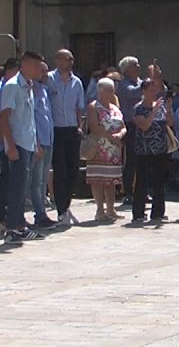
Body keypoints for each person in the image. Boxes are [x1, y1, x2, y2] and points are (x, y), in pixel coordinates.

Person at [0, 51, 50, 245]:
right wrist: (9, 145)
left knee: (23, 185)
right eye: (35, 66)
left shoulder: (29, 86)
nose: (38, 70)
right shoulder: (12, 86)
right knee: (17, 187)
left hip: (27, 142)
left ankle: (20, 226)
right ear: (25, 65)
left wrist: (35, 144)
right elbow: (4, 116)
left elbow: (28, 119)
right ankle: (11, 228)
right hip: (17, 143)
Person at [48, 49, 85, 223]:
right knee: (60, 170)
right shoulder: (48, 79)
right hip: (55, 129)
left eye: (71, 58)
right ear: (57, 60)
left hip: (71, 129)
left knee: (73, 170)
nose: (70, 62)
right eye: (66, 59)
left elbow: (79, 107)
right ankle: (61, 209)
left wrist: (80, 127)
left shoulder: (76, 82)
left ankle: (67, 206)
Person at [130, 77, 171, 224]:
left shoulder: (160, 106)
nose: (154, 93)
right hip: (144, 151)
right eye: (151, 90)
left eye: (156, 90)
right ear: (144, 91)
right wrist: (153, 111)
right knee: (142, 182)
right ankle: (138, 213)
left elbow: (169, 123)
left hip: (160, 150)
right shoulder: (138, 108)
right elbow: (145, 125)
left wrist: (169, 109)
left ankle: (158, 212)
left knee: (159, 182)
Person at [84, 78, 125, 221]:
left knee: (111, 180)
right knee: (98, 180)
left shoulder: (115, 108)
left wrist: (120, 134)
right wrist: (110, 136)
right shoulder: (93, 107)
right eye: (110, 90)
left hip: (113, 151)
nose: (113, 93)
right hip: (99, 148)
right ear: (101, 91)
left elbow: (123, 126)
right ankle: (100, 210)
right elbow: (94, 127)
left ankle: (111, 209)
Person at [0, 58, 20, 232]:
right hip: (5, 144)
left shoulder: (16, 88)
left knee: (16, 182)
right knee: (6, 181)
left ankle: (15, 218)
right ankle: (1, 218)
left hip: (17, 142)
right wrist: (7, 145)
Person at [28, 61, 57, 230]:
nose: (45, 74)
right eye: (42, 71)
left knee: (44, 180)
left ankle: (42, 213)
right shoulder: (30, 91)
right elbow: (30, 119)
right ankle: (40, 214)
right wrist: (36, 143)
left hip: (49, 140)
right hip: (38, 142)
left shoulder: (45, 90)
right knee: (37, 181)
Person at [116, 57, 145, 202]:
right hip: (131, 125)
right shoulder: (122, 84)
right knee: (131, 160)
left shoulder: (142, 82)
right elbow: (135, 93)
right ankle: (128, 192)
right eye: (135, 65)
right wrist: (148, 83)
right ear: (127, 69)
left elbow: (160, 92)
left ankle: (142, 190)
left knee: (144, 160)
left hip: (145, 124)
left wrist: (155, 81)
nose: (139, 67)